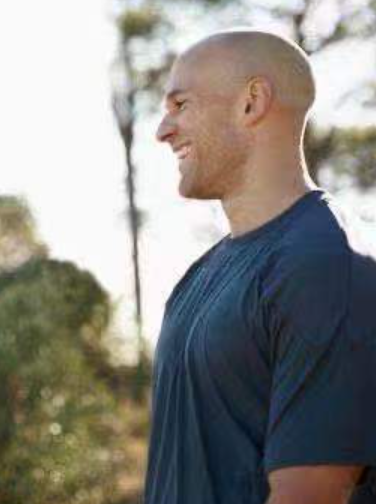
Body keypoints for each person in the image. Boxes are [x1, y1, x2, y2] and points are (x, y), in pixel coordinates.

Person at [146, 29, 376, 504]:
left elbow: (310, 497)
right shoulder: (198, 276)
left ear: (251, 102)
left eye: (181, 105)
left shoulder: (325, 265)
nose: (163, 131)